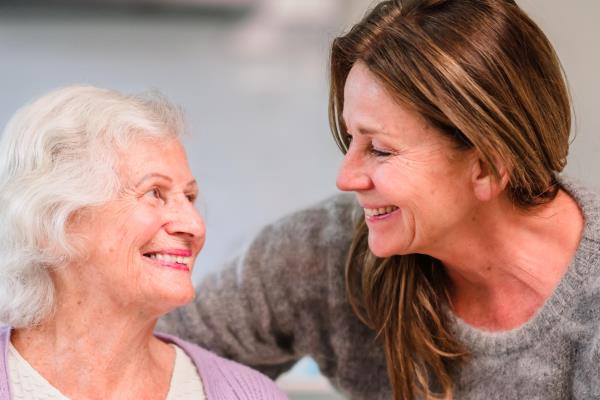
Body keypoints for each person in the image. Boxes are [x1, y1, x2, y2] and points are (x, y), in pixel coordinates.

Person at [158, 0, 600, 399]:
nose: (346, 178)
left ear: (486, 166)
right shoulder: (324, 251)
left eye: (381, 150)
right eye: (350, 139)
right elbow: (151, 356)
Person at [0, 86, 286, 399]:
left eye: (189, 197)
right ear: (56, 220)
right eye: (154, 193)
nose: (195, 225)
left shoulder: (251, 394)